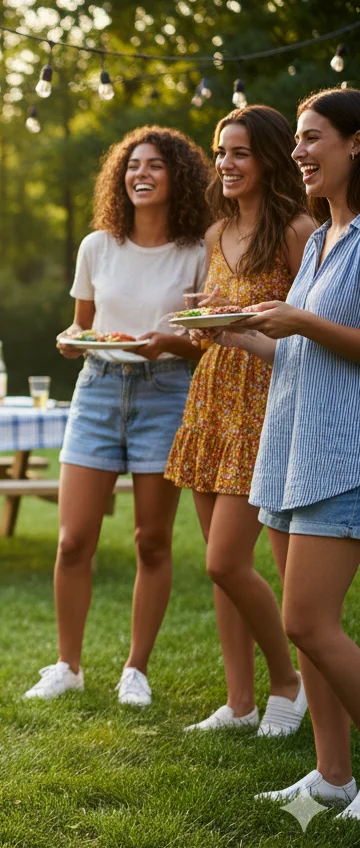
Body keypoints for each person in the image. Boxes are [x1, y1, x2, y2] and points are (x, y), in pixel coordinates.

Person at [25, 127, 211, 707]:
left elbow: (207, 340)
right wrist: (73, 339)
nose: (142, 174)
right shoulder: (97, 246)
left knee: (152, 542)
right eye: (133, 166)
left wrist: (169, 344)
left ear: (177, 176)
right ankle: (67, 665)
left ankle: (136, 668)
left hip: (166, 394)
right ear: (120, 177)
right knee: (73, 538)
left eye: (156, 166)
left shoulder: (198, 251)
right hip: (99, 391)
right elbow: (84, 323)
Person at [214, 88, 360, 819]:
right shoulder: (327, 239)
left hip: (343, 454)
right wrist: (240, 334)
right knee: (312, 628)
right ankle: (332, 777)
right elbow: (302, 352)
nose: (299, 152)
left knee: (308, 623)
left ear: (355, 144)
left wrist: (298, 317)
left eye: (312, 138)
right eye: (297, 140)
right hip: (292, 450)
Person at [165, 106, 316, 736]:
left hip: (265, 401)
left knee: (226, 561)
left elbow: (304, 338)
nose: (226, 164)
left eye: (241, 153)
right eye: (221, 152)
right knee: (220, 566)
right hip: (212, 396)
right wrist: (205, 319)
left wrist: (235, 322)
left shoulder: (300, 231)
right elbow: (219, 327)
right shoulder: (215, 233)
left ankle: (290, 683)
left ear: (271, 159)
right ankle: (239, 700)